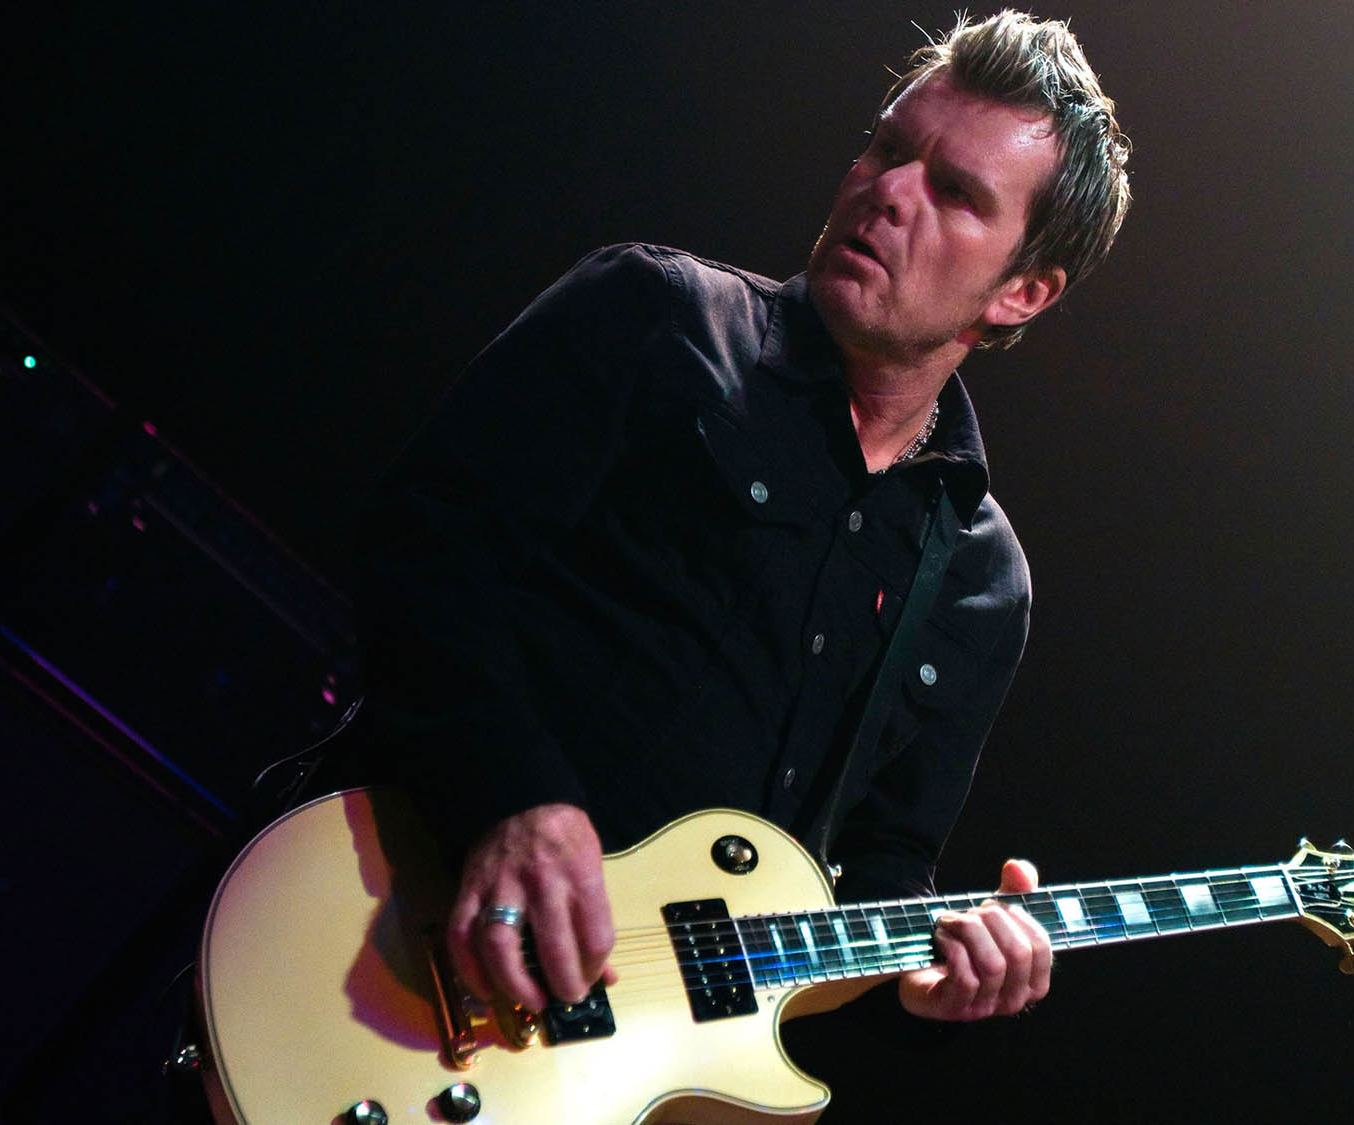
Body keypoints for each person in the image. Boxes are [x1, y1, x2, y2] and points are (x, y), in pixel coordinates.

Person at [354, 9, 1131, 1035]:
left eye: (955, 194)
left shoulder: (985, 584)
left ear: (1023, 292)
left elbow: (879, 871)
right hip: (393, 932)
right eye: (890, 148)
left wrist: (936, 959)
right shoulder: (653, 318)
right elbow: (421, 553)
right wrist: (513, 796)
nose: (890, 193)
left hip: (618, 1067)